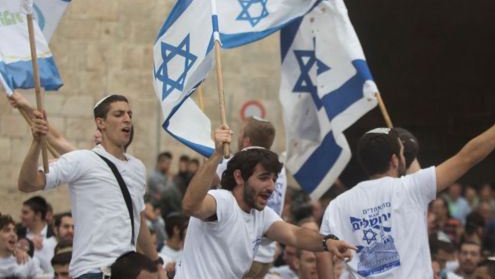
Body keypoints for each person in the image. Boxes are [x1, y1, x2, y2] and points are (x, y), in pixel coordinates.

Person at [317, 100, 495, 278]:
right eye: (402, 153)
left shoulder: (338, 204)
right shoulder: (412, 187)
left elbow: (322, 251)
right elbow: (468, 157)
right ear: (395, 160)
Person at [175, 125, 354, 278]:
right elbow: (191, 205)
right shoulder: (223, 201)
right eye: (264, 178)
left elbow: (295, 235)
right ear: (239, 177)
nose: (271, 187)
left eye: (274, 179)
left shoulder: (261, 215)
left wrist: (328, 242)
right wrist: (216, 155)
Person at [17, 94, 164, 278]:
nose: (127, 119)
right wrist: (36, 143)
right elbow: (27, 183)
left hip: (128, 272)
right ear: (100, 123)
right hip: (93, 271)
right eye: (119, 114)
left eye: (129, 114)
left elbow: (139, 219)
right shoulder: (82, 160)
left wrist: (157, 265)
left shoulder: (138, 168)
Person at [214, 116, 288, 279]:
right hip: (268, 252)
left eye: (240, 133)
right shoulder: (278, 171)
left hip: (245, 253)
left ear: (246, 141)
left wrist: (213, 154)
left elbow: (210, 182)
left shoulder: (237, 165)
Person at [17, 195, 55, 275]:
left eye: (25, 213)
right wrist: (28, 244)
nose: (21, 216)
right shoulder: (17, 236)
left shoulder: (55, 237)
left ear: (38, 215)